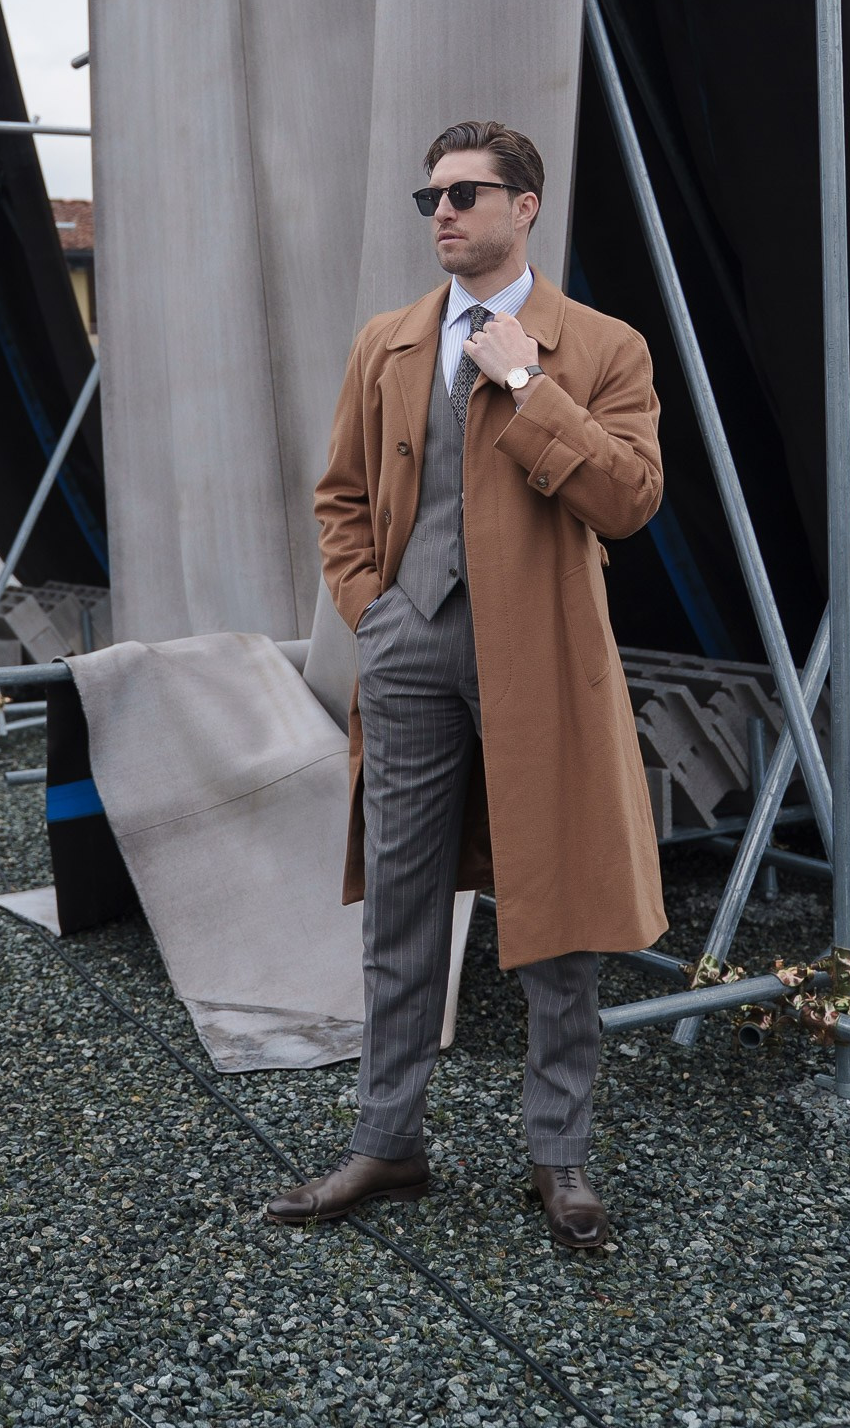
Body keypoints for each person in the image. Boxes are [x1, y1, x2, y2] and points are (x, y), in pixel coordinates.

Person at [264, 121, 667, 1248]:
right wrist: (371, 614)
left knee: (555, 910)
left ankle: (560, 1158)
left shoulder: (598, 345)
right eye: (428, 196)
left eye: (464, 193)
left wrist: (527, 382)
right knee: (399, 902)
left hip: (541, 657)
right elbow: (338, 496)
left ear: (523, 206)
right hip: (411, 651)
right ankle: (385, 1143)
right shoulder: (386, 343)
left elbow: (629, 502)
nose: (439, 212)